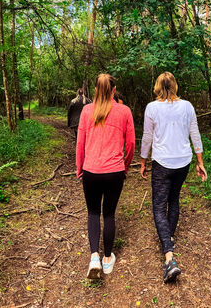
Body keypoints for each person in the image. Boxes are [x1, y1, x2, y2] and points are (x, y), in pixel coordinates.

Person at [140, 71, 207, 283]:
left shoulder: (152, 107)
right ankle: (168, 238)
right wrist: (200, 161)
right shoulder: (187, 106)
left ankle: (169, 257)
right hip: (183, 162)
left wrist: (143, 161)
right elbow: (194, 133)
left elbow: (147, 137)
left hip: (162, 162)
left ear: (158, 86)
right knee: (174, 200)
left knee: (159, 206)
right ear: (175, 85)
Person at [76, 74, 135, 279]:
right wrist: (125, 167)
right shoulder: (124, 111)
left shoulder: (86, 111)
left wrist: (79, 167)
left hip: (91, 171)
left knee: (93, 213)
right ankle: (107, 259)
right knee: (108, 214)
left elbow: (80, 142)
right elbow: (131, 144)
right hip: (114, 172)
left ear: (95, 90)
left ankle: (94, 257)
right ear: (113, 90)